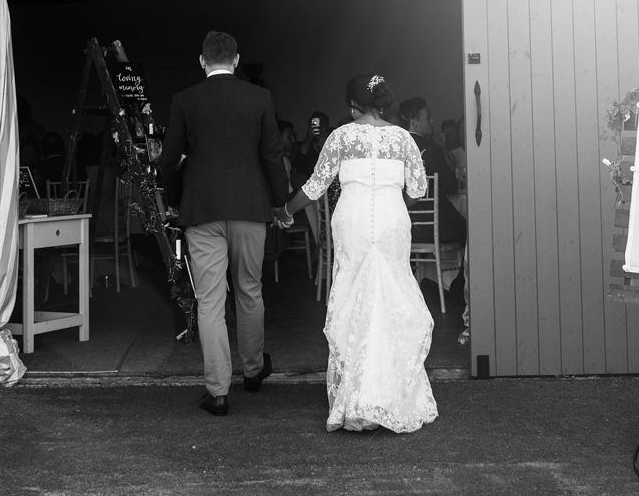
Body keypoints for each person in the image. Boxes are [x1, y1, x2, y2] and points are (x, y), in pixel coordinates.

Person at [282, 73, 438, 433]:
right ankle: (390, 393)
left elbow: (315, 185)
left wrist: (286, 210)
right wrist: (391, 199)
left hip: (351, 221)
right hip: (391, 221)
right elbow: (417, 189)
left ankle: (357, 396)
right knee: (389, 299)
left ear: (352, 105)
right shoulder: (402, 138)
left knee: (355, 300)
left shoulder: (341, 137)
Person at [156, 31, 289, 417]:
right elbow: (272, 156)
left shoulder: (185, 100)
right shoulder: (259, 98)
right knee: (250, 289)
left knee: (210, 300)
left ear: (202, 61)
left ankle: (217, 391)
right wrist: (279, 202)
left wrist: (178, 198)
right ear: (236, 59)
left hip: (203, 211)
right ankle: (252, 371)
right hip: (250, 208)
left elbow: (168, 160)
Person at [398, 97, 468, 253]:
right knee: (474, 233)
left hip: (401, 228)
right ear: (413, 122)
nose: (432, 120)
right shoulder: (431, 149)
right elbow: (451, 186)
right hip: (432, 228)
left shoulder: (393, 150)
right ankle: (460, 278)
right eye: (428, 117)